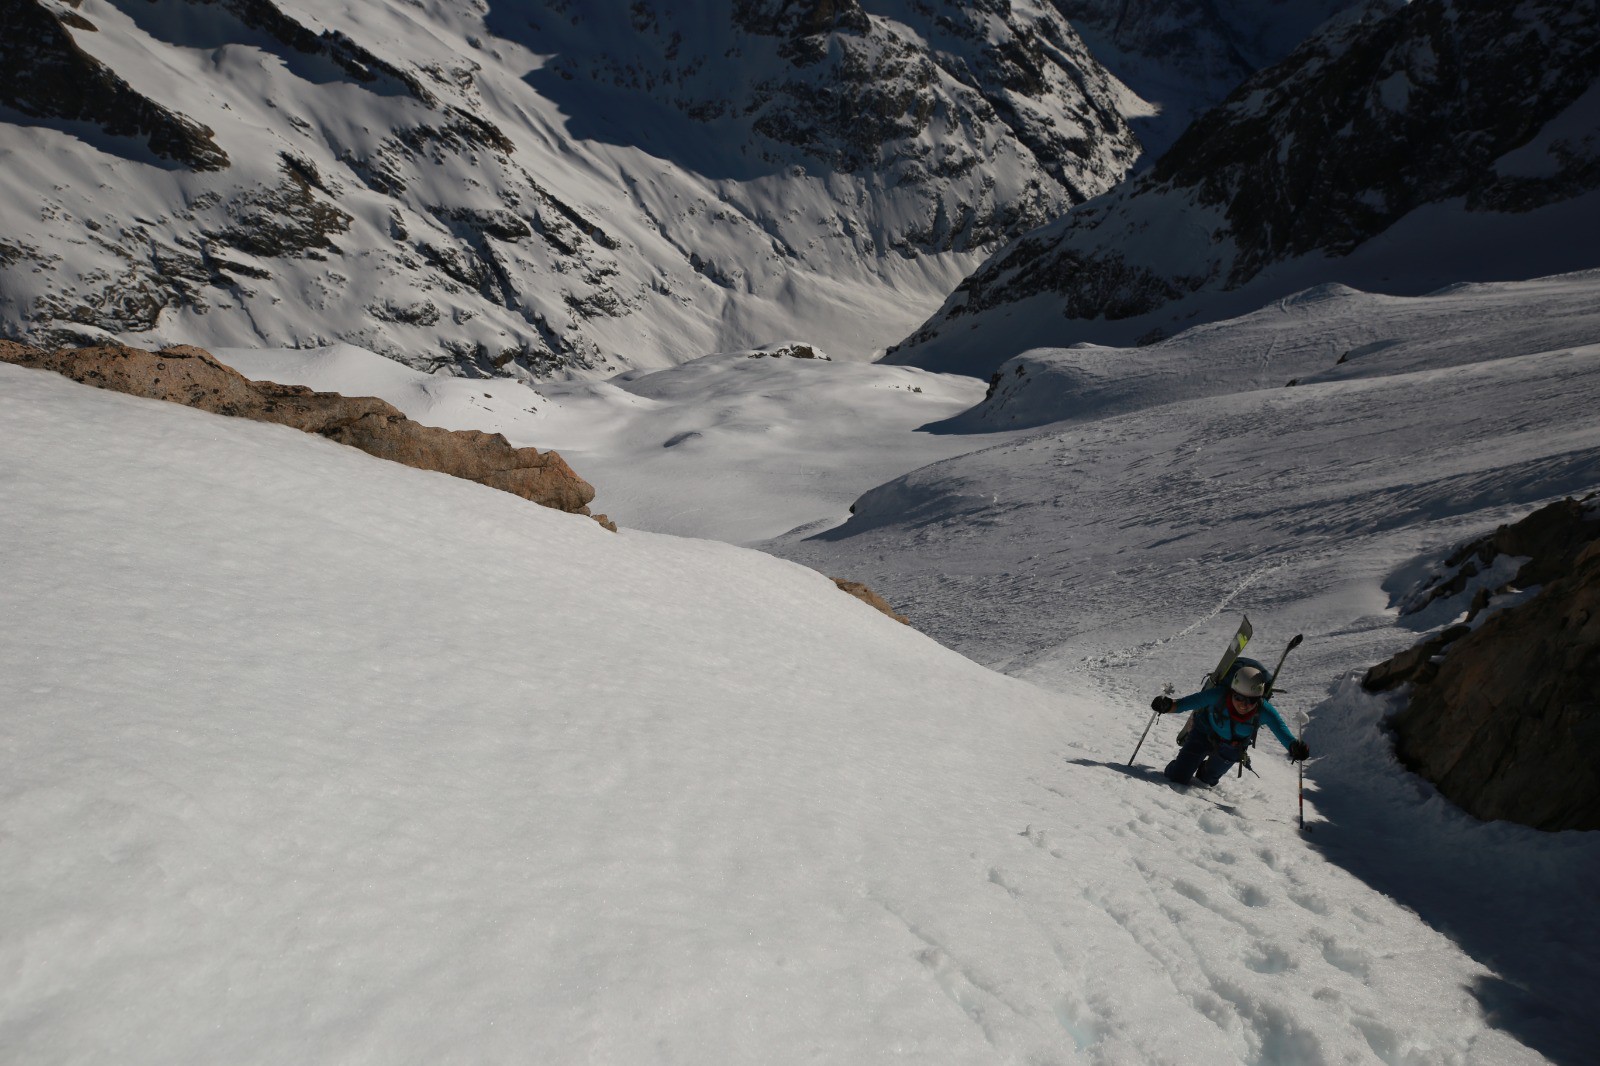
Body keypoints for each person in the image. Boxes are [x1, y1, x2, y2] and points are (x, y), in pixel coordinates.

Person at [1151, 664, 1310, 786]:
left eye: (1251, 700)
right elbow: (1187, 703)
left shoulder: (1264, 711)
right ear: (1232, 692)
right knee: (1178, 777)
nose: (1244, 705)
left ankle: (1203, 769)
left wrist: (1294, 747)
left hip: (1232, 746)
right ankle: (1184, 765)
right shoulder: (1218, 695)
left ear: (1259, 699)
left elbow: (1280, 729)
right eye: (1239, 697)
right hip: (1204, 733)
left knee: (1206, 781)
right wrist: (1167, 705)